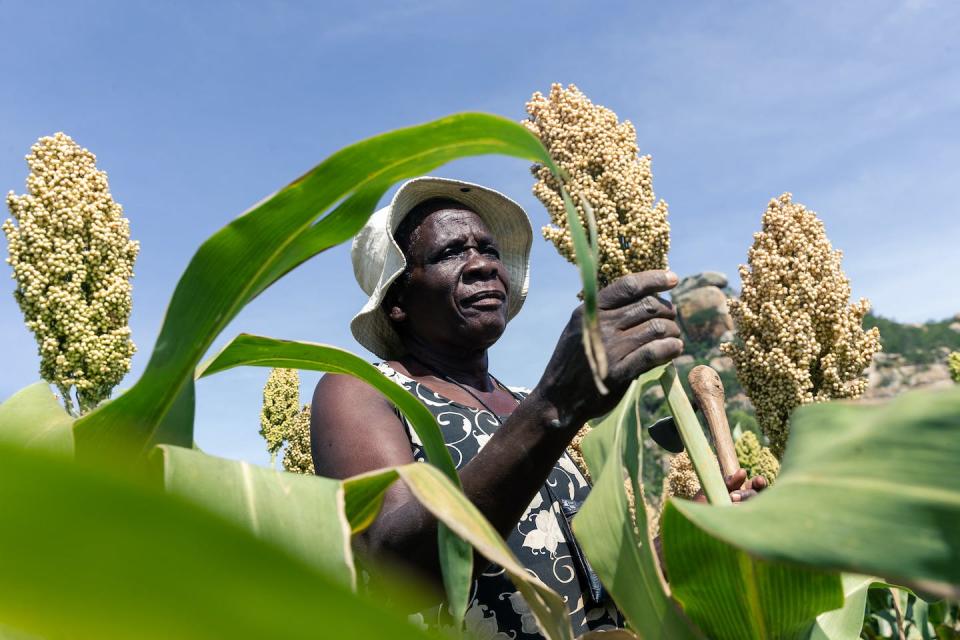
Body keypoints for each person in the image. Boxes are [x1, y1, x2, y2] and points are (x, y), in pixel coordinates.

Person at [310, 176, 765, 637]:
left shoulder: (526, 405)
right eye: (450, 253)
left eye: (488, 250)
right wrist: (557, 403)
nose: (482, 265)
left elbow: (597, 586)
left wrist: (695, 534)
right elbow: (400, 568)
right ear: (398, 302)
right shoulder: (363, 390)